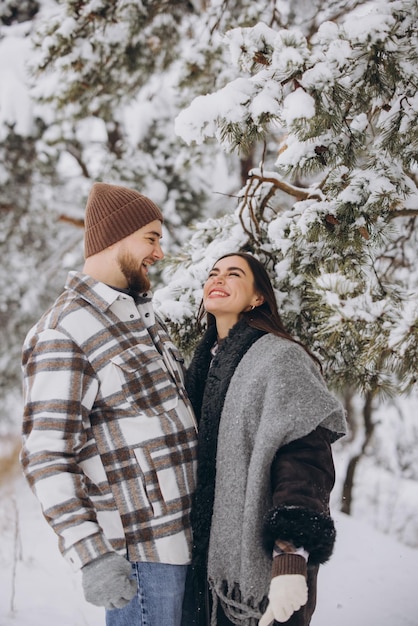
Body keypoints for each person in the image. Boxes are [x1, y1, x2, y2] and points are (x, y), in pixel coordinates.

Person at [20, 182, 198, 626]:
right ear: (116, 237)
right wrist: (91, 555)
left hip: (188, 538)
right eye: (152, 238)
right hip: (140, 557)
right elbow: (47, 456)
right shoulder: (65, 329)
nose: (159, 253)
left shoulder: (139, 318)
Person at [182, 252, 347, 626]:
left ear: (258, 298)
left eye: (233, 274)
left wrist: (291, 553)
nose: (218, 279)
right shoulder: (201, 367)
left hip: (262, 577)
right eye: (212, 274)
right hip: (202, 573)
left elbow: (305, 457)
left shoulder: (280, 359)